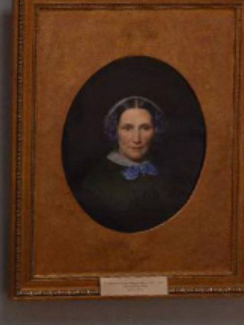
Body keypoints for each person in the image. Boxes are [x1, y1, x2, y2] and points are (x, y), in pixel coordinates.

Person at [73, 96, 187, 233]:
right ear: (115, 130)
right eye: (127, 128)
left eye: (145, 128)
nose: (136, 139)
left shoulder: (169, 174)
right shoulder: (95, 181)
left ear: (155, 131)